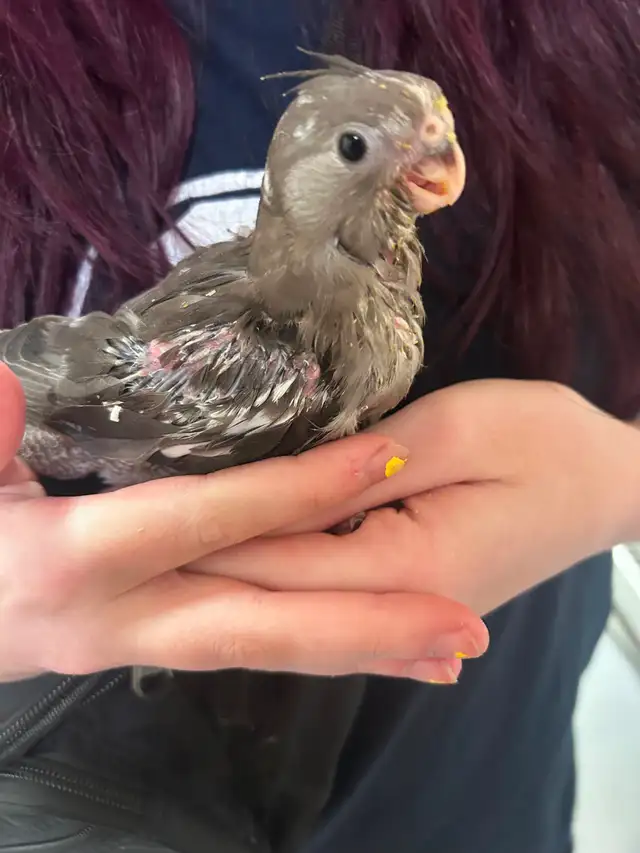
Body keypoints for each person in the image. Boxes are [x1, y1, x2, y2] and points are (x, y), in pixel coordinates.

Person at [0, 1, 639, 851]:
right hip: (119, 790)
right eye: (357, 149)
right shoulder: (272, 352)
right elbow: (76, 387)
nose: (438, 162)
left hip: (469, 787)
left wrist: (615, 479)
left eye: (434, 132)